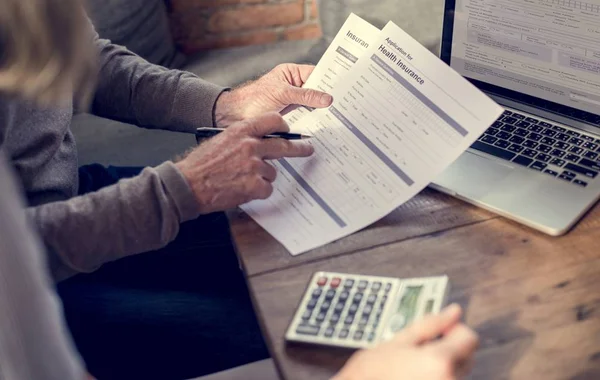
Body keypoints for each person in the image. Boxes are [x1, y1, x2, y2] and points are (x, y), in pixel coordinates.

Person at [0, 0, 479, 379]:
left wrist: (226, 104)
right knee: (284, 332)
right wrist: (181, 189)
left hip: (67, 196)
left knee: (310, 243)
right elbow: (12, 256)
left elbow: (89, 60)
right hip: (25, 281)